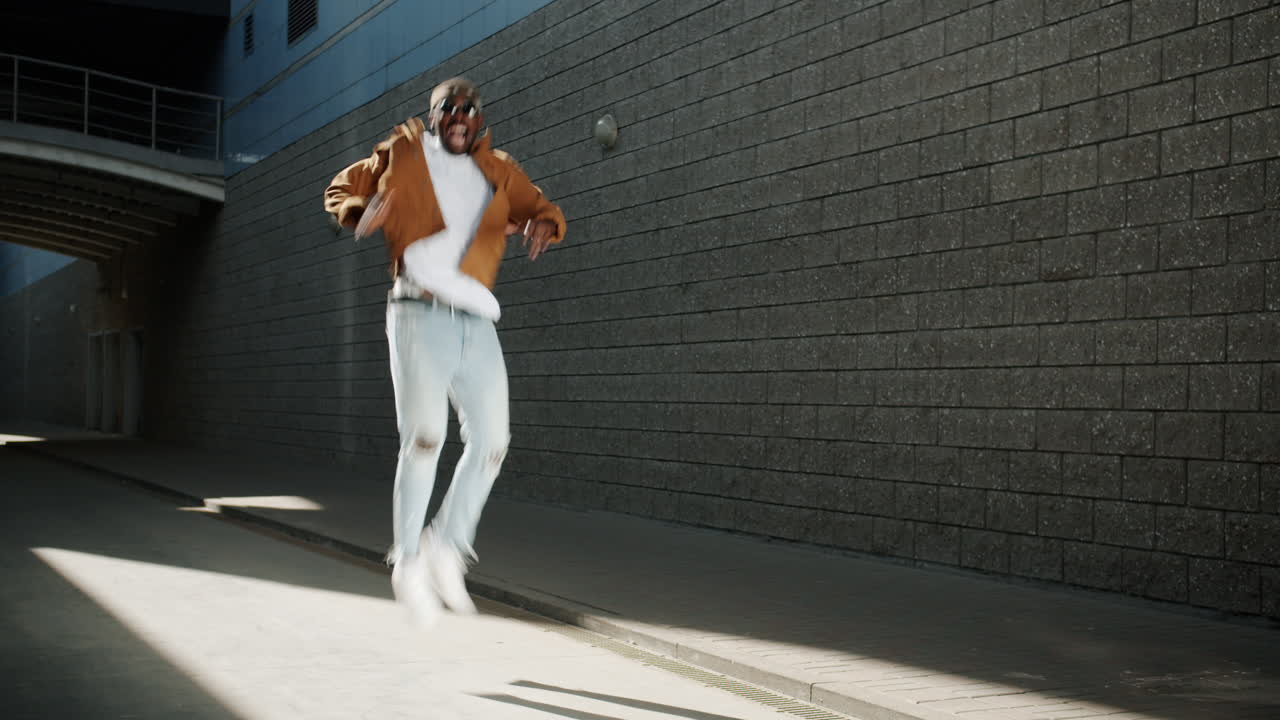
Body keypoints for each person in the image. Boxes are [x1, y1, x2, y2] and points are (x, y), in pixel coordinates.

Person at [323, 77, 566, 626]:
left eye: (468, 109)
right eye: (447, 109)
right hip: (417, 311)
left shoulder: (499, 169)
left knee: (494, 442)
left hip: (477, 319)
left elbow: (540, 206)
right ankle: (407, 559)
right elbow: (340, 187)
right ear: (433, 116)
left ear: (478, 119)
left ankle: (446, 546)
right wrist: (360, 211)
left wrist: (547, 223)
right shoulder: (404, 150)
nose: (458, 116)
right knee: (426, 438)